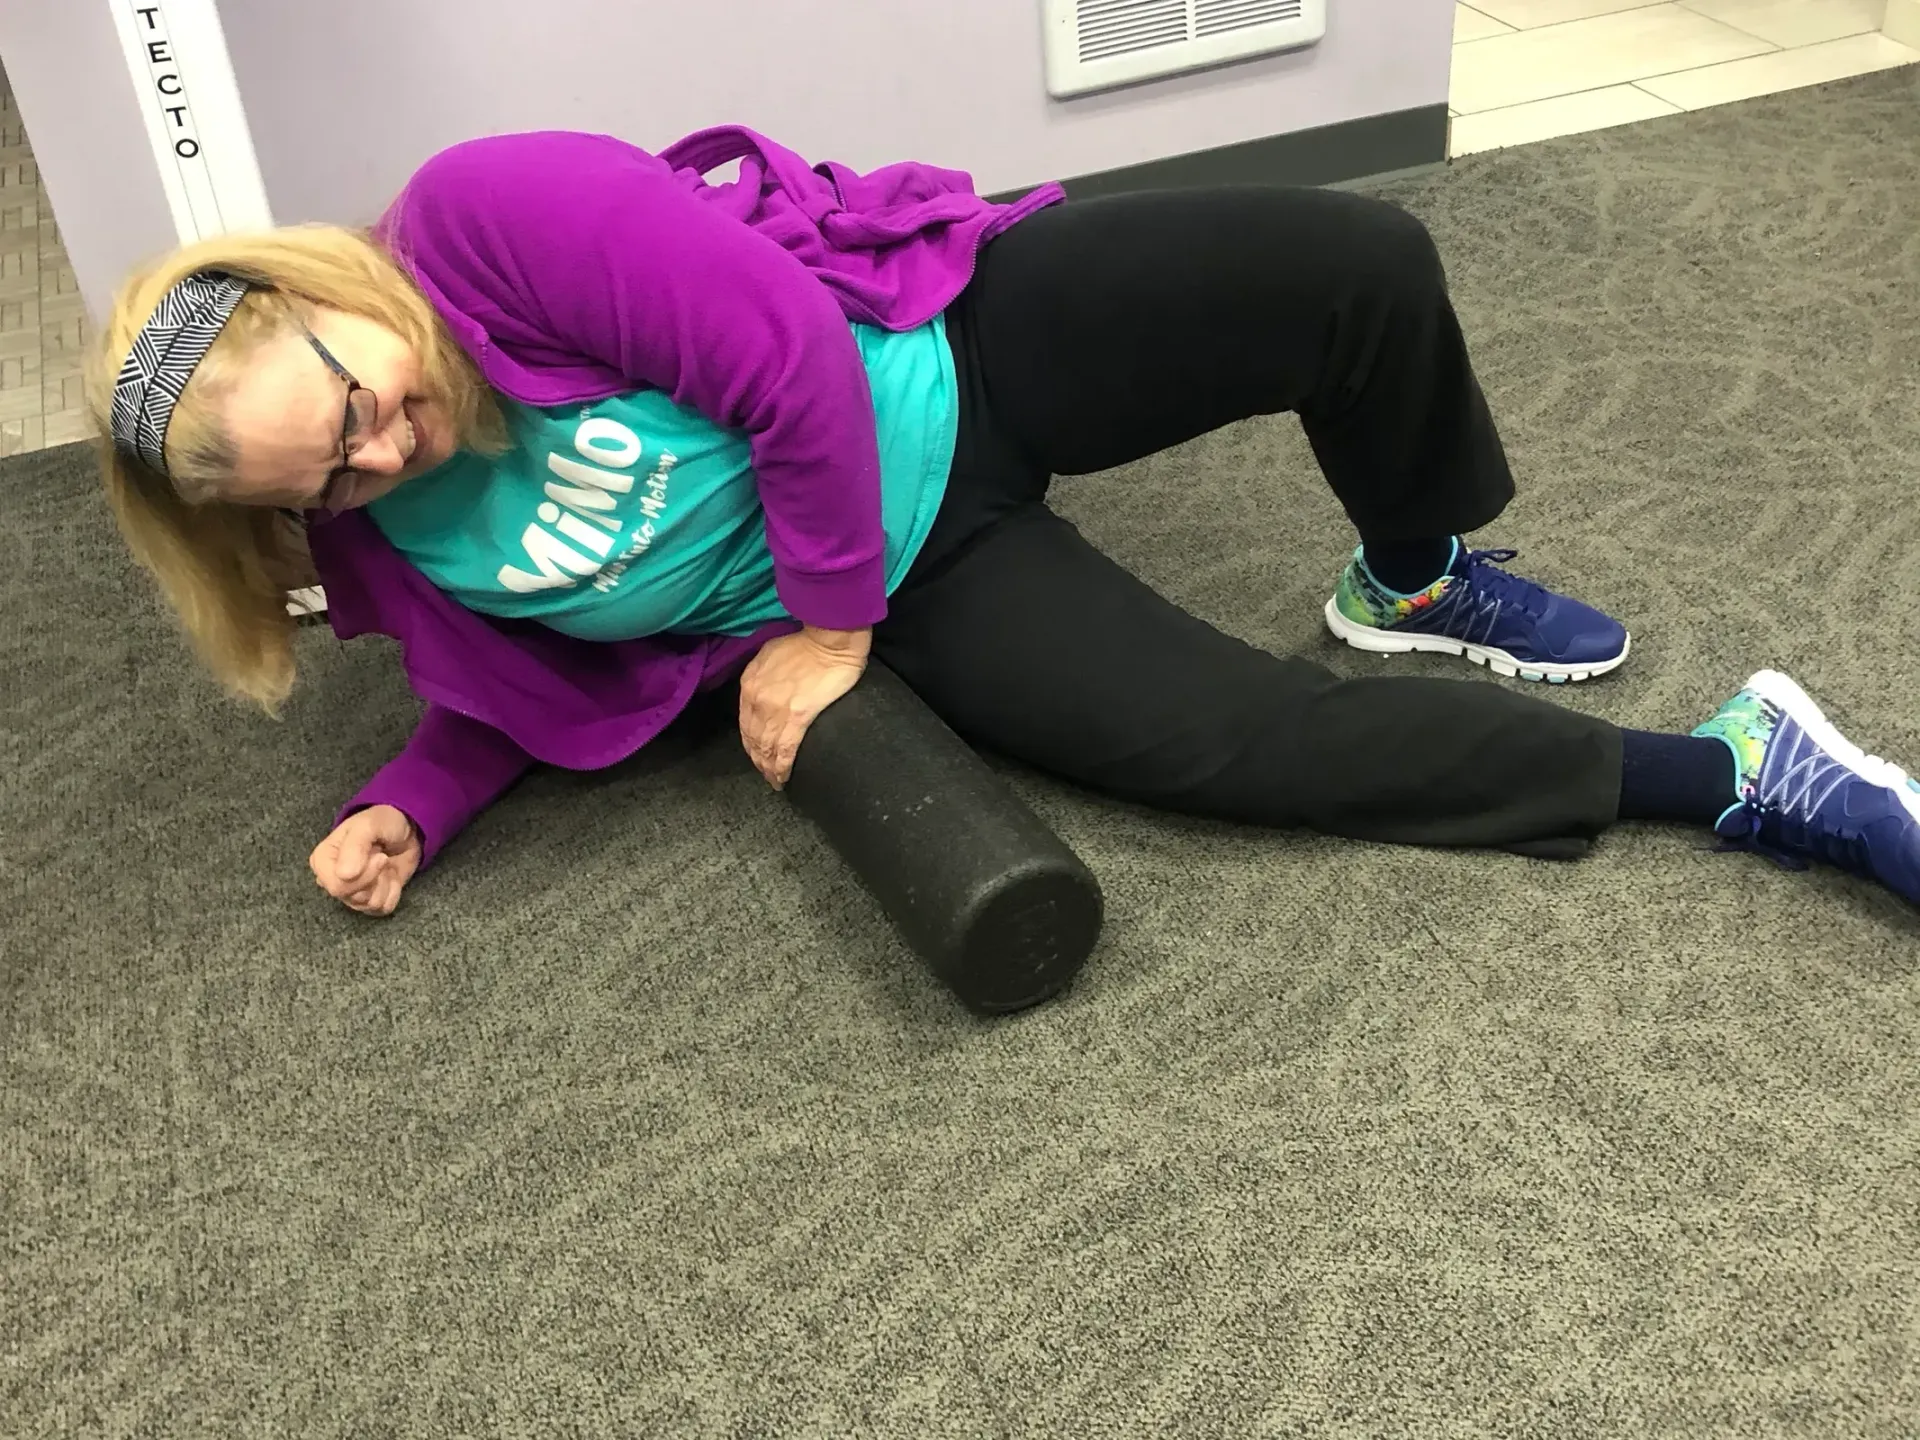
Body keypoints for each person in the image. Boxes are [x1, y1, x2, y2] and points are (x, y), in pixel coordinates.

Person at [89, 127, 1920, 921]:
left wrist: (816, 631)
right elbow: (497, 681)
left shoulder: (491, 224)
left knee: (1354, 266)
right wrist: (410, 802)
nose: (377, 457)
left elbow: (789, 355)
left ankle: (1414, 570)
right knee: (1237, 746)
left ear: (331, 288)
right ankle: (1744, 770)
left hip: (939, 350)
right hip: (920, 580)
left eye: (351, 401)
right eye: (318, 487)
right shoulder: (376, 539)